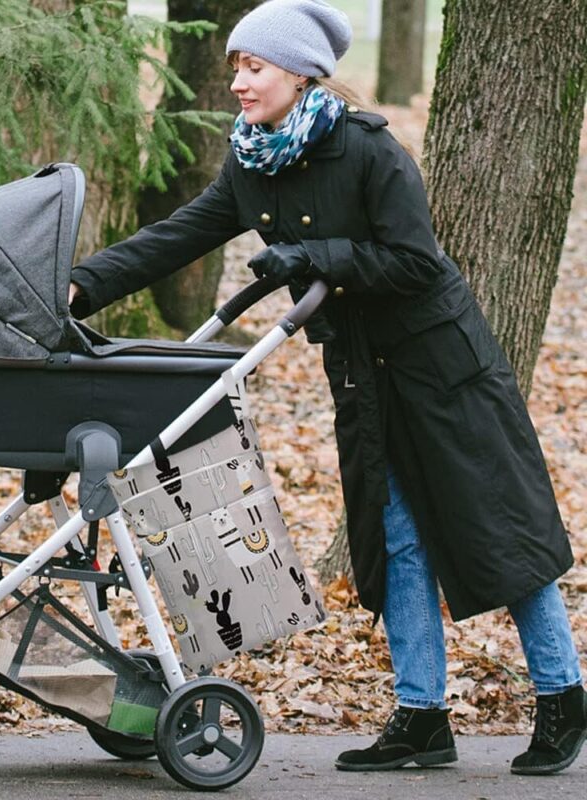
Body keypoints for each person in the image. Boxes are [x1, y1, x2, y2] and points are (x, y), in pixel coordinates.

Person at [68, 0, 586, 776]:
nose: (238, 82)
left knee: (498, 530)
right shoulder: (250, 160)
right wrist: (78, 286)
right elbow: (175, 236)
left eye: (255, 66)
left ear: (302, 73)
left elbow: (416, 263)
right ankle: (422, 717)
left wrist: (318, 255)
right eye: (237, 66)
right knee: (399, 539)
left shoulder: (371, 152)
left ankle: (564, 699)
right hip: (361, 374)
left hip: (441, 369)